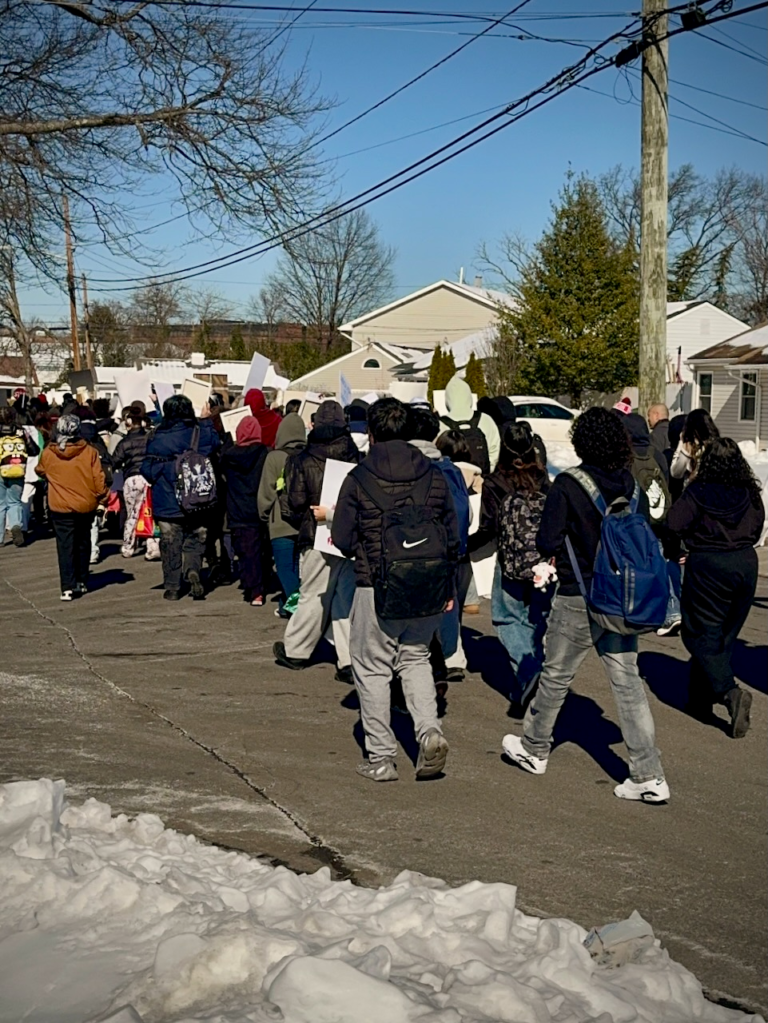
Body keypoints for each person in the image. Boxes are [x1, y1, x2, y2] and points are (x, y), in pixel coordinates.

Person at [501, 406, 670, 804]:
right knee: (628, 683)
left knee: (557, 673)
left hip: (579, 595)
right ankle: (648, 772)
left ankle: (534, 746)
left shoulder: (569, 485)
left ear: (581, 441)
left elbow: (546, 541)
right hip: (621, 600)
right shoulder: (629, 484)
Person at [332, 397, 460, 781]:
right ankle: (429, 732)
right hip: (428, 586)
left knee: (372, 670)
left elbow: (341, 537)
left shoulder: (358, 479)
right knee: (416, 658)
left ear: (370, 433)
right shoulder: (435, 476)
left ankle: (382, 757)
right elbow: (453, 536)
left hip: (376, 584)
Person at [667, 437, 764, 737]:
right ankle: (699, 698)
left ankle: (729, 692)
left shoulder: (699, 492)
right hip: (745, 564)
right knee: (722, 633)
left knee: (699, 632)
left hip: (710, 563)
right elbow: (759, 524)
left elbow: (673, 523)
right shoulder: (750, 493)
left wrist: (676, 549)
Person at [273, 400, 359, 680]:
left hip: (314, 534)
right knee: (346, 597)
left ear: (315, 424)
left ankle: (297, 650)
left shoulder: (301, 459)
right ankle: (348, 660)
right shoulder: (356, 456)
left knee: (313, 594)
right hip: (350, 536)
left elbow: (293, 503)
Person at [471, 422, 551, 710]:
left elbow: (488, 527)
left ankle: (529, 673)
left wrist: (464, 547)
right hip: (542, 562)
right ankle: (533, 682)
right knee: (537, 620)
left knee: (507, 618)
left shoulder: (495, 482)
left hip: (510, 562)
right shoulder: (543, 477)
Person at [407, 405, 470, 686]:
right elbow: (463, 509)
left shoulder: (409, 467)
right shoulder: (450, 469)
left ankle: (420, 659)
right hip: (449, 547)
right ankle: (453, 656)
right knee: (449, 602)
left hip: (417, 545)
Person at [141, 395, 220, 601]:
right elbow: (214, 444)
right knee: (196, 538)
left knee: (170, 543)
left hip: (166, 501)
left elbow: (147, 470)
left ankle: (173, 586)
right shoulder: (198, 432)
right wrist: (205, 420)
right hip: (198, 499)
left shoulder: (156, 435)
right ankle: (192, 569)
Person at [36, 414, 107, 600]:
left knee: (65, 545)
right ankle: (82, 580)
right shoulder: (89, 452)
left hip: (59, 506)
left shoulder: (49, 453)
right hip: (85, 504)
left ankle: (67, 586)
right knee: (83, 542)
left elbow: (40, 470)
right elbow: (99, 480)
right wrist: (103, 498)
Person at [257, 412, 306, 618]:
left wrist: (265, 515)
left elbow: (266, 493)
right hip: (303, 520)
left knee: (284, 568)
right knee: (296, 567)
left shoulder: (274, 457)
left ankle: (298, 610)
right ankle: (288, 605)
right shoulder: (308, 455)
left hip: (280, 522)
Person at [221, 416, 270, 605]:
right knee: (261, 551)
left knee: (245, 552)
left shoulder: (228, 456)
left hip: (238, 510)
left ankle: (253, 588)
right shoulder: (265, 453)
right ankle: (259, 587)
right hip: (259, 508)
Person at [111, 405, 159, 561]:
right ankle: (153, 546)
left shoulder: (124, 442)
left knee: (132, 513)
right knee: (149, 512)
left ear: (128, 421)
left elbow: (115, 462)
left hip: (132, 478)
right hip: (149, 477)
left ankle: (128, 546)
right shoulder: (151, 438)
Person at [439, 375, 500, 474]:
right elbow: (494, 450)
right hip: (481, 479)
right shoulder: (485, 419)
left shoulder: (441, 424)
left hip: (452, 481)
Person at [0, 407, 39, 547]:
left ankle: (0, 538)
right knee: (15, 502)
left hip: (0, 470)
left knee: (0, 504)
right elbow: (34, 450)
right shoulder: (21, 432)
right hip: (18, 470)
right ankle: (15, 525)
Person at [670, 408, 719, 482]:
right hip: (691, 489)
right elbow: (676, 473)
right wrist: (685, 453)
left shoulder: (716, 445)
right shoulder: (686, 441)